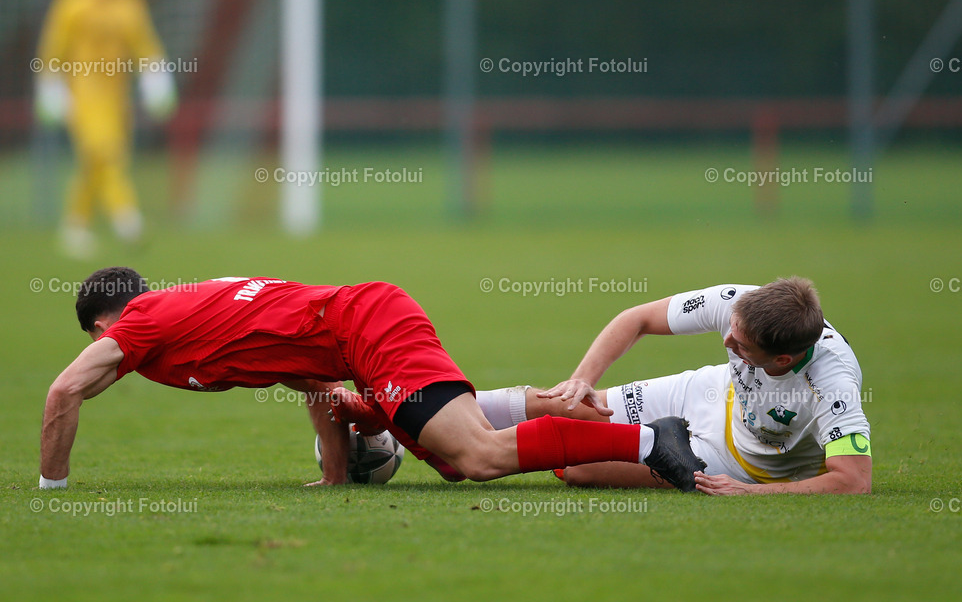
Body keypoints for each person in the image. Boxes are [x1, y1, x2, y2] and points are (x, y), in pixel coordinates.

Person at [38, 268, 705, 491]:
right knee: (451, 461)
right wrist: (336, 477)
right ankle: (599, 416)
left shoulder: (143, 322)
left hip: (367, 329)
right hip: (364, 333)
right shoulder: (186, 315)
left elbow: (64, 390)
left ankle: (651, 441)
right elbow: (311, 383)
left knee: (476, 457)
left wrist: (53, 488)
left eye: (100, 340)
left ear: (102, 325)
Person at [471, 278, 872, 495]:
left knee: (579, 471)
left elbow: (854, 480)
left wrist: (750, 493)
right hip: (708, 395)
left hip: (744, 466)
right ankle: (445, 416)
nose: (727, 343)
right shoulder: (738, 301)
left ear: (782, 359)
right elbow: (637, 319)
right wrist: (582, 381)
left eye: (741, 346)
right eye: (731, 330)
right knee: (567, 406)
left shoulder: (832, 384)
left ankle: (464, 442)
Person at [35, 0, 177, 258]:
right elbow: (54, 45)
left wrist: (156, 79)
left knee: (97, 160)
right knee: (103, 151)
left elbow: (144, 45)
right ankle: (127, 218)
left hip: (117, 95)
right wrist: (50, 85)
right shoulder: (71, 2)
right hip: (82, 91)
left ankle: (75, 227)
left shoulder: (130, 3)